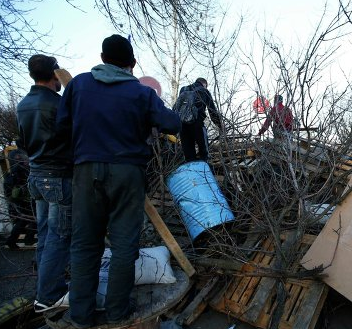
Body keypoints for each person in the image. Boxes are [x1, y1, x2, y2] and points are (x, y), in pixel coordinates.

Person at [57, 34, 181, 328]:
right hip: (127, 173)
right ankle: (117, 312)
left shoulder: (78, 85)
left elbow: (61, 127)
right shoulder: (141, 93)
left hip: (86, 170)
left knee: (85, 245)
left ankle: (81, 315)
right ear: (133, 64)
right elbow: (172, 124)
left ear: (101, 58)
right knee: (125, 245)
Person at [16, 54, 73, 312]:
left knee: (46, 235)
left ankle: (45, 288)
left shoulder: (23, 104)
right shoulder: (58, 104)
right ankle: (49, 296)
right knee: (59, 237)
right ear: (54, 73)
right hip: (57, 177)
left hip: (36, 176)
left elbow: (22, 144)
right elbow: (73, 139)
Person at [175, 77, 222, 162]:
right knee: (204, 155)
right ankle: (204, 172)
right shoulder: (204, 91)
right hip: (197, 125)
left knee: (189, 157)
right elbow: (212, 111)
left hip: (183, 126)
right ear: (204, 84)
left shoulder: (183, 89)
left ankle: (193, 173)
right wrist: (220, 126)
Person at [4, 149, 36, 250]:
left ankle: (27, 239)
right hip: (23, 201)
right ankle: (20, 240)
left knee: (27, 220)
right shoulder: (20, 171)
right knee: (25, 220)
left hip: (20, 201)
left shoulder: (14, 172)